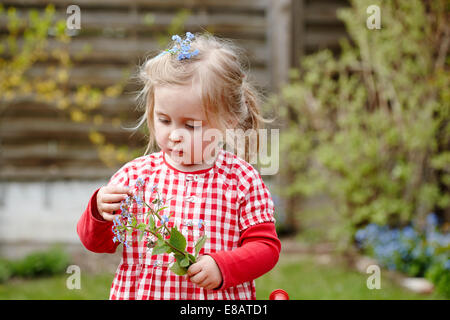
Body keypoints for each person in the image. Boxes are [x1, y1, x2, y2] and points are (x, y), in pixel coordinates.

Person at [77, 32, 281, 300]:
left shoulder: (241, 179)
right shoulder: (135, 177)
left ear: (229, 120)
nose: (174, 135)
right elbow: (98, 244)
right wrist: (100, 212)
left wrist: (224, 266)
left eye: (190, 125)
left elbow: (266, 247)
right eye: (164, 120)